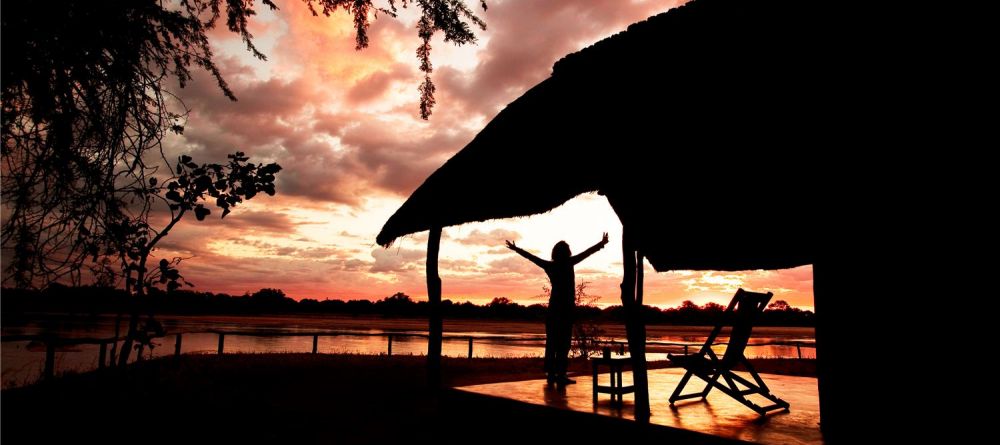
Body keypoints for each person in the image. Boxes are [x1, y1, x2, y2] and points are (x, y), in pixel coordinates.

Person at [506, 233, 609, 385]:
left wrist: (516, 249)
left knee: (552, 343)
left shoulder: (550, 265)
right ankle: (560, 375)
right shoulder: (569, 262)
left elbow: (531, 257)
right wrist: (601, 243)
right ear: (567, 252)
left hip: (554, 310)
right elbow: (587, 253)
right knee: (563, 344)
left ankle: (551, 374)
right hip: (566, 310)